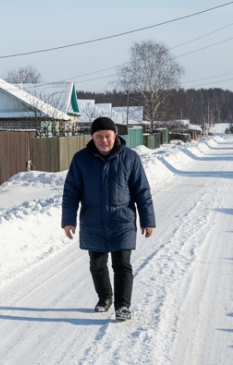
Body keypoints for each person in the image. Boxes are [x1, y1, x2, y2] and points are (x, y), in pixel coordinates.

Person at [61, 116, 155, 322]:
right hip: (93, 221)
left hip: (122, 220)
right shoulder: (81, 159)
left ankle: (123, 306)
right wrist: (68, 220)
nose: (104, 140)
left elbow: (142, 191)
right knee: (97, 264)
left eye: (107, 136)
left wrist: (147, 220)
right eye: (99, 136)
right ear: (92, 138)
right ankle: (105, 298)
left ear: (115, 136)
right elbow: (71, 192)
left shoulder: (130, 158)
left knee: (122, 264)